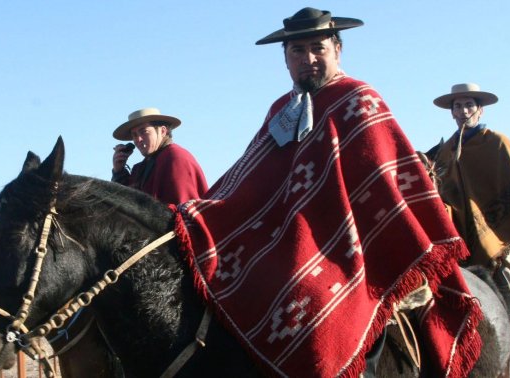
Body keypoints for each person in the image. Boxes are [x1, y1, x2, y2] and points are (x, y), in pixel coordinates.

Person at [172, 7, 482, 377]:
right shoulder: (281, 111)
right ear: (285, 60)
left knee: (323, 302)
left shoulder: (358, 98)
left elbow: (384, 184)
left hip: (356, 244)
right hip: (289, 241)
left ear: (337, 49)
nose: (308, 59)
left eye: (317, 48)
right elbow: (251, 181)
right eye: (297, 52)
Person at [432, 83, 510, 343]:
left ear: (480, 110)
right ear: (452, 113)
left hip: (500, 245)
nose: (463, 111)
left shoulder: (496, 143)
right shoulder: (445, 153)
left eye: (469, 105)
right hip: (464, 247)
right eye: (457, 106)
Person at [111, 107, 208, 204]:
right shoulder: (140, 168)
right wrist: (119, 171)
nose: (138, 139)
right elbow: (126, 207)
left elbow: (182, 210)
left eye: (144, 132)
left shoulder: (176, 158)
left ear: (162, 131)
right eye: (134, 135)